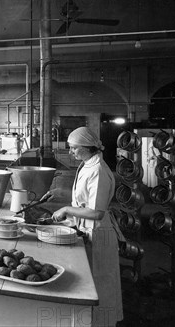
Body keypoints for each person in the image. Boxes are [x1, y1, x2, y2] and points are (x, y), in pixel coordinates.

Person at [47, 126, 123, 327]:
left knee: (101, 283)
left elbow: (97, 212)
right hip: (88, 230)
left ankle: (102, 323)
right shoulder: (87, 164)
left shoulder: (98, 170)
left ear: (87, 147)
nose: (71, 152)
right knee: (92, 283)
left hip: (99, 234)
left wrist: (66, 210)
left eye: (73, 148)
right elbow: (83, 200)